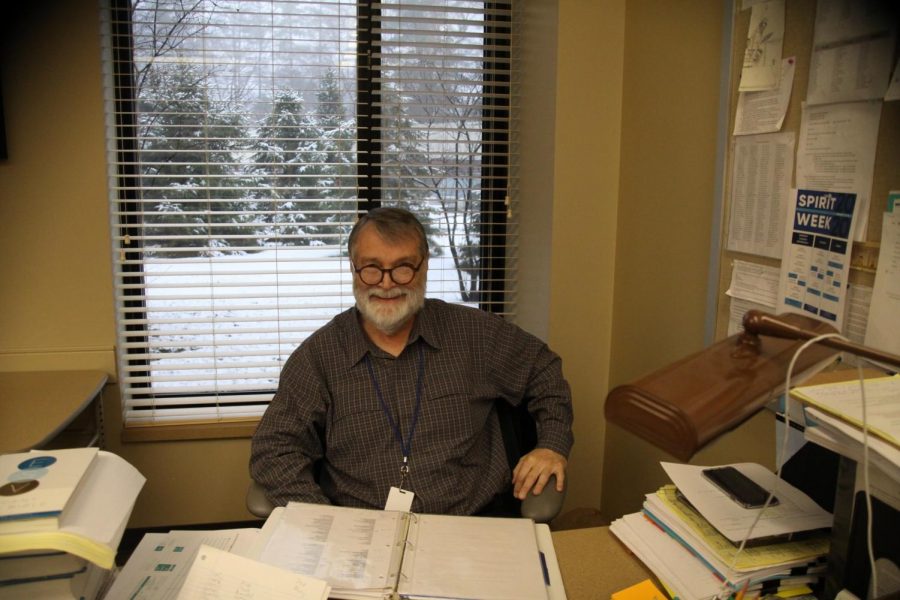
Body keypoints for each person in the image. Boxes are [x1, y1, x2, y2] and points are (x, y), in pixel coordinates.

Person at [250, 207, 574, 515]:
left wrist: (551, 444)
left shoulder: (476, 334)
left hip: (472, 525)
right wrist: (323, 522)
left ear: (424, 266)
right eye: (372, 267)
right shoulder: (319, 356)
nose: (387, 283)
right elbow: (275, 449)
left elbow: (543, 372)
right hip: (362, 534)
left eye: (403, 267)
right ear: (353, 268)